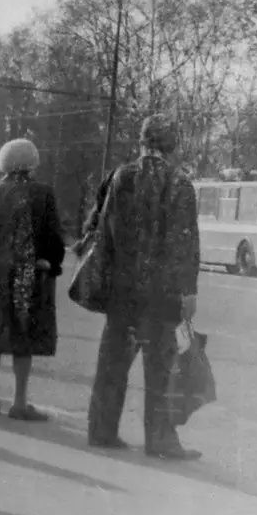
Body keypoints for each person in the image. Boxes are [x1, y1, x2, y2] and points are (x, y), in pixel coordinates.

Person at [86, 114, 203, 461]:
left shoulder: (121, 177)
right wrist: (189, 290)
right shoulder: (180, 183)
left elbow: (100, 230)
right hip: (162, 291)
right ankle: (160, 439)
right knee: (160, 366)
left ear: (142, 141)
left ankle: (102, 430)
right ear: (174, 146)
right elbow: (186, 243)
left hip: (123, 287)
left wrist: (103, 278)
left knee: (113, 361)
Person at [0, 138, 66, 420]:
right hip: (29, 275)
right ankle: (20, 402)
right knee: (24, 338)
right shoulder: (43, 193)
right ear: (32, 162)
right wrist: (52, 264)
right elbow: (55, 238)